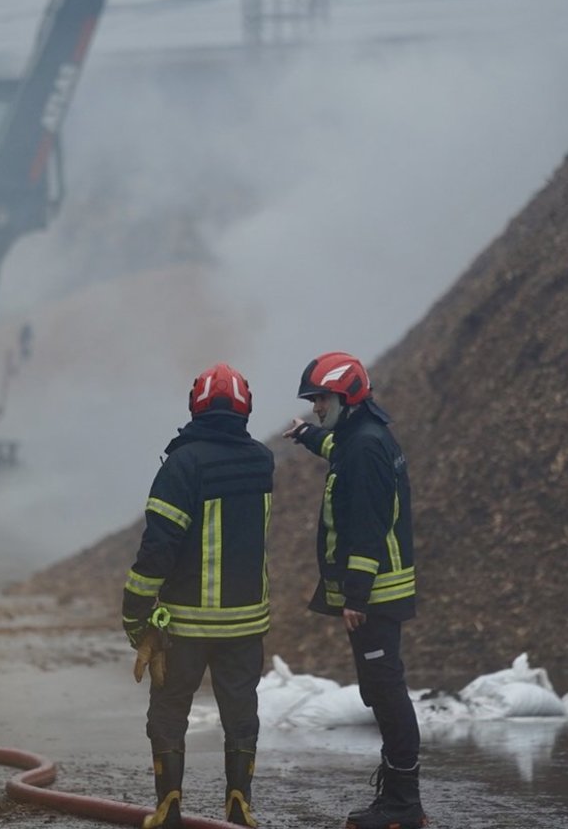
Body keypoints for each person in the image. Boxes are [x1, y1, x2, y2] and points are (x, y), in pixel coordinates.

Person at [122, 362, 275, 829]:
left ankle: (168, 808)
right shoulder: (262, 461)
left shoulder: (184, 465)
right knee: (240, 712)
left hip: (185, 625)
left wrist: (135, 618)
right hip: (246, 624)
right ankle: (239, 803)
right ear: (246, 407)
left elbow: (158, 548)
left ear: (196, 406)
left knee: (169, 711)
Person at [283, 352, 425, 829]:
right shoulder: (361, 436)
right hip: (379, 589)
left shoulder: (364, 446)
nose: (317, 407)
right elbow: (336, 450)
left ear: (346, 396)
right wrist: (306, 436)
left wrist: (356, 595)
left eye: (321, 399)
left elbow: (366, 524)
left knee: (386, 692)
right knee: (380, 689)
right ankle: (399, 799)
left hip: (376, 592)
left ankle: (403, 805)